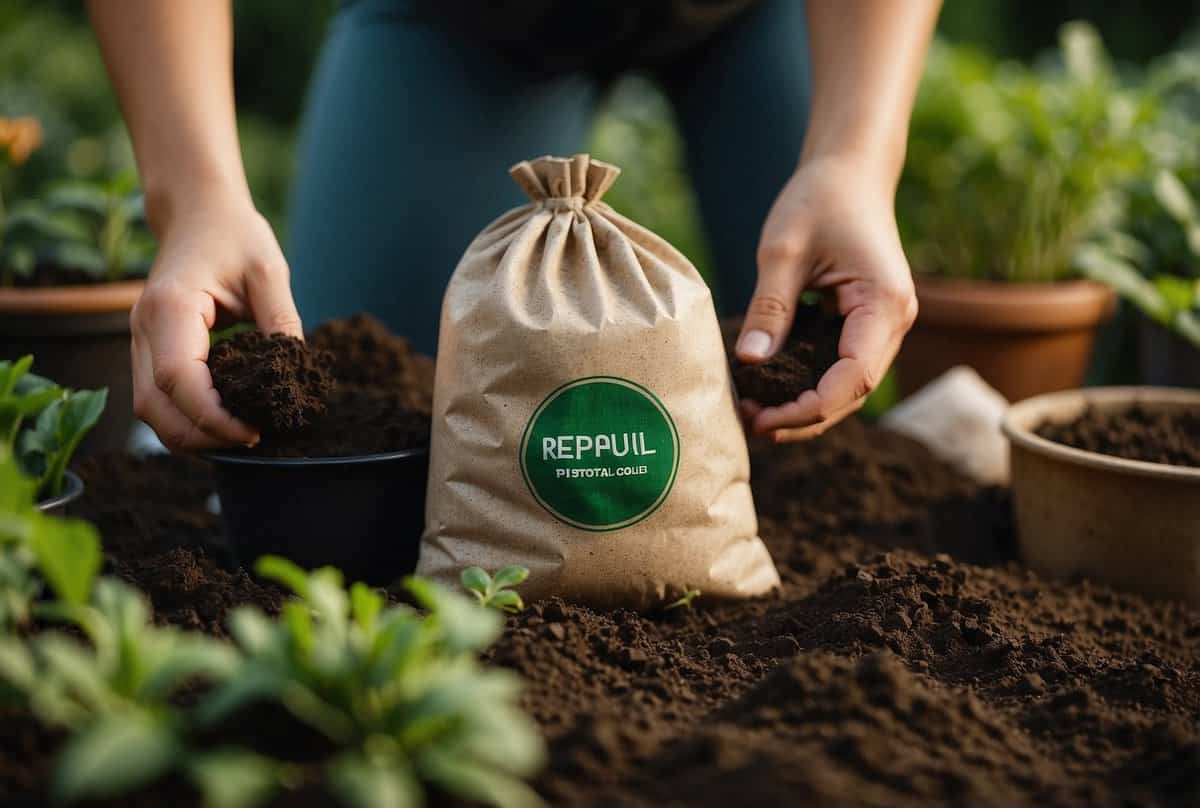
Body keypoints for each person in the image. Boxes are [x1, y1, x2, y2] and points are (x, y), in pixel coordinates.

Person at [86, 0, 939, 452]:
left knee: (820, 387)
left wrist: (855, 157)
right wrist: (194, 198)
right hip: (464, 22)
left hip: (767, 15)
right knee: (356, 419)